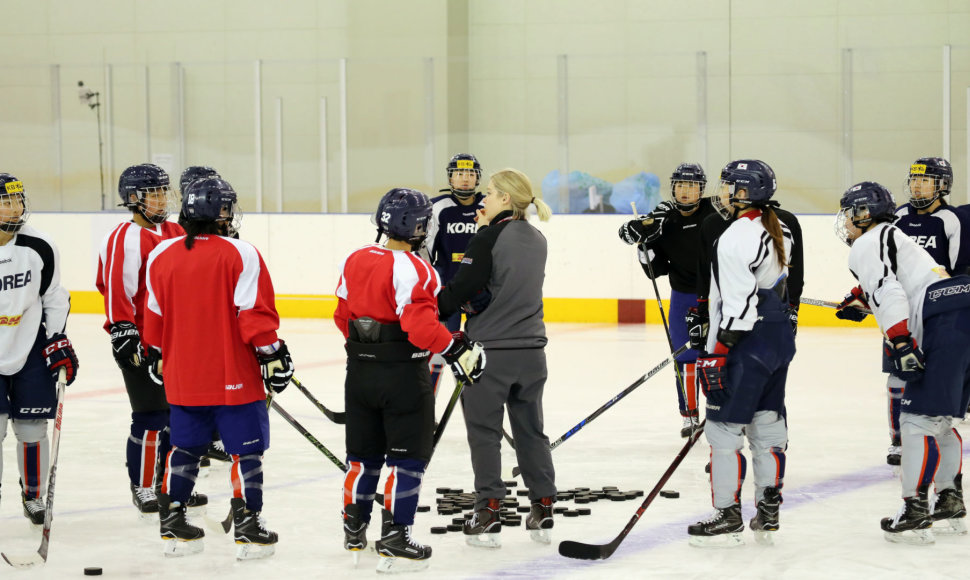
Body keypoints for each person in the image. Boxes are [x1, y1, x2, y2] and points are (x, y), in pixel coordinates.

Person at [335, 187, 485, 573]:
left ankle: (354, 530)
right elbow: (420, 328)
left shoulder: (355, 258)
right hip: (403, 378)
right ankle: (396, 536)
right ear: (414, 225)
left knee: (362, 458)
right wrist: (453, 348)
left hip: (360, 375)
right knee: (407, 461)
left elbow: (342, 316)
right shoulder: (417, 268)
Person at [143, 177, 293, 559]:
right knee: (248, 452)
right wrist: (274, 355)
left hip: (182, 376)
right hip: (234, 377)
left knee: (185, 446)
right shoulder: (240, 253)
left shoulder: (162, 254)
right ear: (222, 212)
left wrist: (159, 355)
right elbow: (255, 319)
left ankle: (173, 523)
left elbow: (154, 319)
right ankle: (247, 525)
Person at [834, 181, 968, 544]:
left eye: (849, 213)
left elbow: (889, 291)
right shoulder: (894, 237)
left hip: (941, 321)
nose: (845, 222)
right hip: (960, 310)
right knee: (939, 421)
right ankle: (949, 499)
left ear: (864, 214)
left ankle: (915, 509)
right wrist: (861, 301)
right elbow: (903, 284)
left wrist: (900, 342)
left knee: (915, 423)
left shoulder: (866, 242)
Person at [436, 168, 557, 548]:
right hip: (532, 353)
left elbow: (461, 289)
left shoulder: (488, 237)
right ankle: (543, 503)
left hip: (491, 354)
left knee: (485, 433)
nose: (483, 199)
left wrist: (426, 310)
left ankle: (488, 510)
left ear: (506, 199)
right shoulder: (538, 238)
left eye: (489, 193)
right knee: (530, 430)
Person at [688, 160, 795, 547]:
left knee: (722, 428)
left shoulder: (736, 235)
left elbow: (738, 304)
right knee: (767, 423)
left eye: (728, 186)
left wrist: (716, 353)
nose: (722, 193)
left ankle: (727, 514)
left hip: (745, 343)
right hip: (777, 337)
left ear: (744, 193)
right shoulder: (778, 226)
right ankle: (768, 509)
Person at [95, 163, 208, 516]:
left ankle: (171, 486)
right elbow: (115, 289)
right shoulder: (122, 238)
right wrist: (122, 331)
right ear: (133, 199)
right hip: (143, 341)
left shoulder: (177, 230)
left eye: (163, 191)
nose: (162, 199)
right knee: (151, 417)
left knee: (181, 416)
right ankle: (143, 486)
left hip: (181, 342)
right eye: (154, 193)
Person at [618, 163, 718, 437]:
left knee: (718, 355)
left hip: (719, 295)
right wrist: (643, 246)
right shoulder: (664, 220)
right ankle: (689, 415)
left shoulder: (718, 211)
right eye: (681, 185)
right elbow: (657, 269)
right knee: (685, 357)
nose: (686, 191)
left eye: (692, 186)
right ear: (673, 187)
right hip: (684, 296)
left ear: (701, 189)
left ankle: (721, 413)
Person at [0, 173, 78, 525]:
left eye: (17, 200)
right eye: (5, 201)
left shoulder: (40, 246)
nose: (14, 208)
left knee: (32, 429)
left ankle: (33, 494)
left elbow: (54, 297)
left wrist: (56, 338)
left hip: (29, 347)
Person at [424, 153, 485, 394]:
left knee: (477, 354)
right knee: (438, 352)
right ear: (450, 178)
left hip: (480, 295)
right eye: (459, 173)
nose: (465, 179)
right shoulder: (437, 206)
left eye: (470, 173)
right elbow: (425, 251)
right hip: (447, 292)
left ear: (478, 178)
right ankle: (426, 408)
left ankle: (478, 409)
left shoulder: (487, 204)